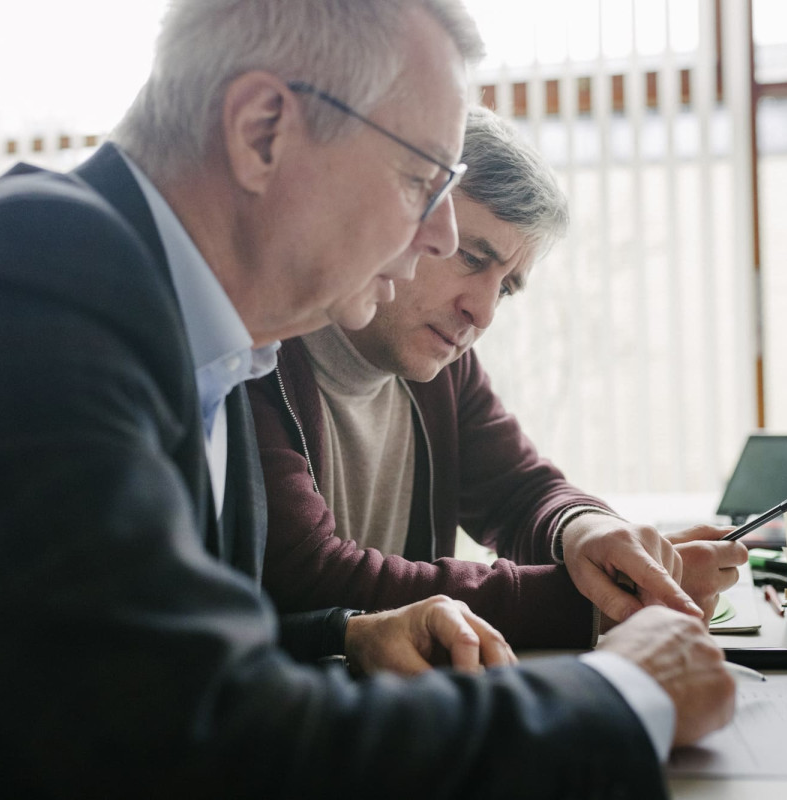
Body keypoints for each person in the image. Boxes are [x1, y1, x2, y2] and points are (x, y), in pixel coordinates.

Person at [0, 1, 734, 798]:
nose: (440, 235)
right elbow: (196, 742)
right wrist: (626, 695)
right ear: (263, 130)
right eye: (425, 180)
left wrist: (349, 635)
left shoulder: (208, 339)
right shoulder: (21, 290)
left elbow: (146, 656)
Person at [250, 106, 750, 650]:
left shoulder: (441, 363)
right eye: (470, 257)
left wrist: (590, 531)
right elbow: (310, 578)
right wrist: (604, 604)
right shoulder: (254, 355)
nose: (484, 313)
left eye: (507, 286)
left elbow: (520, 492)